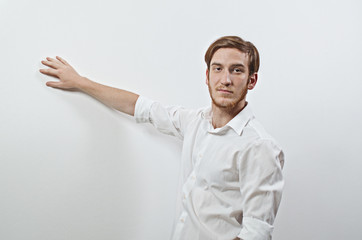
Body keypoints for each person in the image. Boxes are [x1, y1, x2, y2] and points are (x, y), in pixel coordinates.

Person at [39, 36, 284, 240]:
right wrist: (80, 82)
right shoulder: (195, 121)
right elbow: (140, 107)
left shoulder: (259, 146)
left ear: (251, 80)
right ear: (207, 75)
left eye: (237, 70)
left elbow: (257, 233)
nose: (226, 79)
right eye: (218, 68)